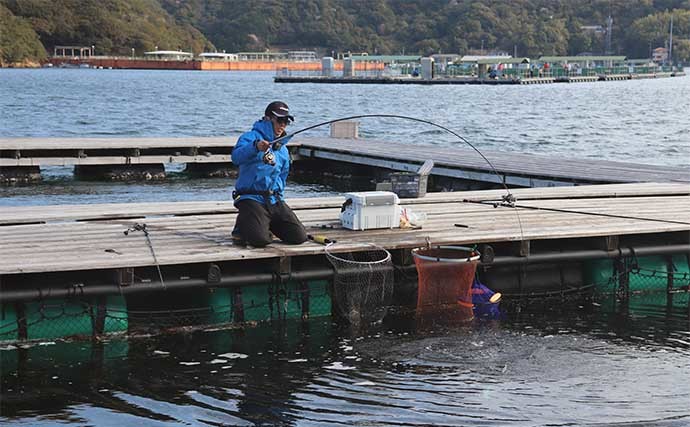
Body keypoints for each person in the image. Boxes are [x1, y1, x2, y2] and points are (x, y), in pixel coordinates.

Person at [230, 101, 307, 247]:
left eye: (286, 121)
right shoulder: (249, 137)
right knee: (260, 240)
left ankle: (263, 222)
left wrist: (280, 201)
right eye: (279, 120)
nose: (283, 125)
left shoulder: (283, 149)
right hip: (251, 197)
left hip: (274, 199)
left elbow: (282, 176)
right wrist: (255, 147)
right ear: (267, 119)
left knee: (299, 237)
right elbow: (236, 157)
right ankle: (241, 228)